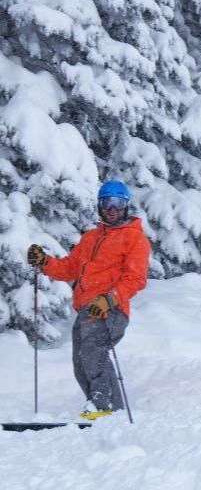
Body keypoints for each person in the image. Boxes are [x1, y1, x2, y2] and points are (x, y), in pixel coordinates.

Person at [27, 180, 150, 420]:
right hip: (86, 309)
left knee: (93, 350)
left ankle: (106, 407)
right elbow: (69, 269)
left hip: (111, 309)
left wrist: (109, 299)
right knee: (80, 361)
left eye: (117, 203)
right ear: (99, 206)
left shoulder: (135, 239)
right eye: (106, 202)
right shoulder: (90, 238)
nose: (111, 208)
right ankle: (100, 409)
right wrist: (44, 262)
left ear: (126, 206)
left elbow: (135, 278)